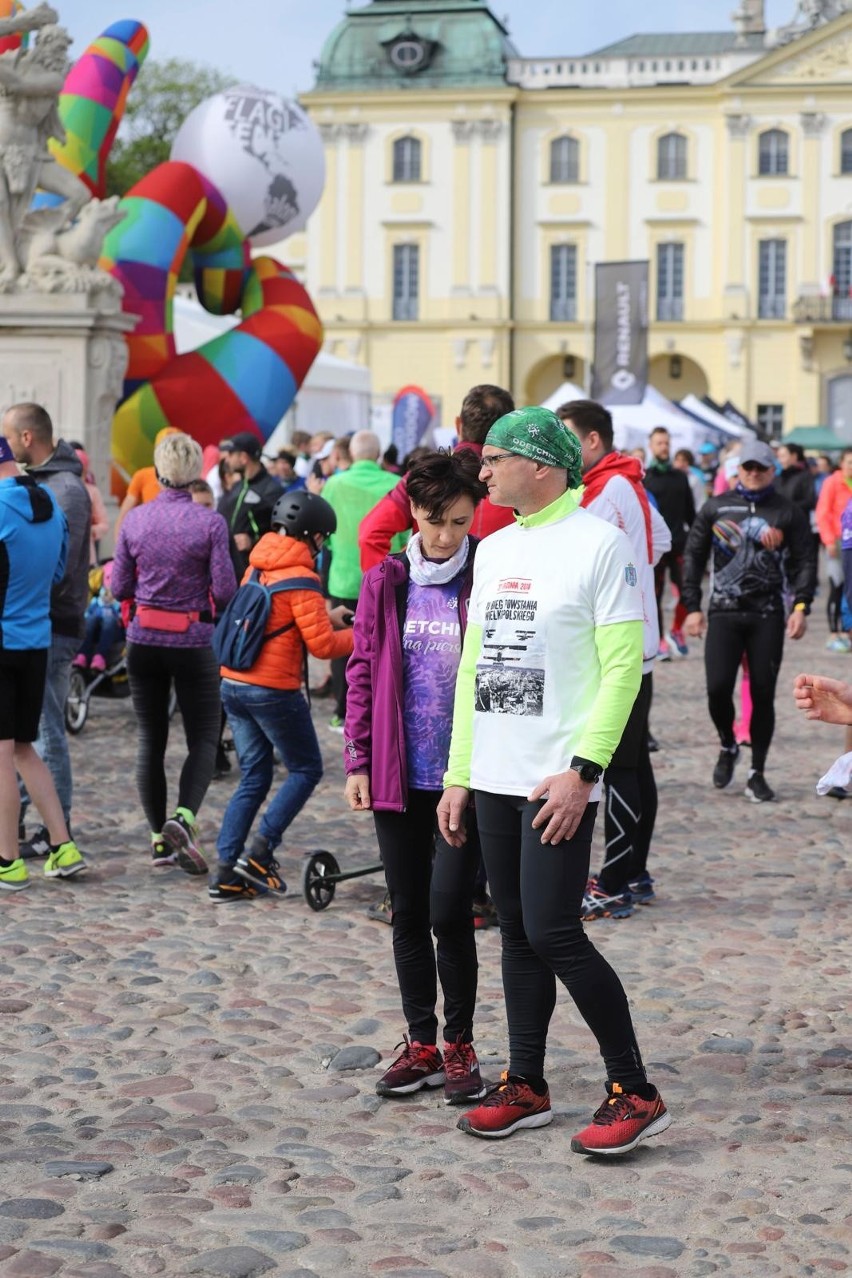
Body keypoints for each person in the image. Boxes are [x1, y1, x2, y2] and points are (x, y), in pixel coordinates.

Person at [437, 406, 671, 1155]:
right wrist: (458, 774)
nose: (484, 471)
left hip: (555, 779)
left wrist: (582, 774)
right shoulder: (495, 545)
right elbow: (478, 671)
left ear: (540, 467)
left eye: (496, 458)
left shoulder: (601, 545)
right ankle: (528, 1083)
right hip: (497, 776)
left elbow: (621, 673)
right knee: (516, 934)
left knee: (554, 931)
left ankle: (634, 1088)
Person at [345, 452, 489, 1104]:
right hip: (398, 772)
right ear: (412, 514)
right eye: (435, 522)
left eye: (459, 522)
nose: (445, 536)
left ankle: (459, 1042)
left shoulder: (486, 573)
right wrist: (358, 757)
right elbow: (363, 671)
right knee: (407, 912)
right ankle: (422, 1043)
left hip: (464, 774)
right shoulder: (387, 580)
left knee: (450, 910)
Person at [558, 399, 671, 919]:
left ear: (593, 441)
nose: (559, 449)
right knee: (633, 765)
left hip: (621, 647)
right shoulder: (625, 481)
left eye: (567, 438)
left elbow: (586, 557)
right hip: (636, 639)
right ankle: (636, 873)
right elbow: (661, 541)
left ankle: (616, 881)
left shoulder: (608, 489)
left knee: (621, 767)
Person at [212, 490, 354, 901]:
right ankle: (259, 853)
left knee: (254, 776)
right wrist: (364, 633)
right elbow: (323, 648)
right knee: (306, 769)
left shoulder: (257, 566)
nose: (323, 545)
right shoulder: (304, 577)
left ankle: (226, 872)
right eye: (322, 538)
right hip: (272, 690)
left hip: (233, 683)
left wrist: (325, 617)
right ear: (311, 535)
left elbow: (271, 617)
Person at [112, 433, 237, 873]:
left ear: (158, 470)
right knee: (202, 735)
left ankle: (157, 841)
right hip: (192, 640)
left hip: (143, 638)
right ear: (195, 473)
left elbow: (119, 586)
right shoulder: (209, 523)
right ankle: (183, 817)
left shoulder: (136, 520)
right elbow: (224, 590)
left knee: (151, 738)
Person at [682, 439, 816, 802]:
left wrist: (801, 607)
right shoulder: (716, 506)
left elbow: (805, 560)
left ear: (773, 470)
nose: (754, 474)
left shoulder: (787, 512)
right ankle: (728, 744)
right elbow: (693, 556)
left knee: (762, 694)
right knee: (717, 688)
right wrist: (692, 605)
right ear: (737, 470)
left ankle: (757, 771)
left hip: (767, 614)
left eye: (761, 468)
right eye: (748, 467)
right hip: (724, 612)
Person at [2, 402, 91, 853]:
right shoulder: (46, 495)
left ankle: (34, 844)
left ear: (27, 439)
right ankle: (45, 834)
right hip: (36, 629)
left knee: (34, 738)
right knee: (23, 742)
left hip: (36, 630)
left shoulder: (63, 492)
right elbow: (53, 570)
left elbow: (62, 574)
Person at [359, 384, 517, 573]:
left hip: (428, 596)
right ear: (510, 433)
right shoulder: (525, 481)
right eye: (436, 521)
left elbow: (370, 534)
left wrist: (386, 588)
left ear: (458, 425)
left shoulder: (426, 476)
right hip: (501, 593)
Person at [321, 430, 403, 731]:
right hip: (386, 575)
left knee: (344, 644)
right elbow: (406, 534)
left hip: (344, 577)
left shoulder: (334, 484)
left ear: (351, 455)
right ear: (378, 455)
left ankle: (342, 711)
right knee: (383, 642)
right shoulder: (395, 484)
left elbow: (325, 533)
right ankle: (380, 709)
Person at [643, 426, 695, 659]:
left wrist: (697, 540)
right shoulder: (645, 478)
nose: (664, 447)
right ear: (651, 446)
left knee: (687, 591)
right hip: (655, 549)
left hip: (680, 545)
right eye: (659, 443)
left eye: (666, 442)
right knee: (654, 596)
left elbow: (691, 514)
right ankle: (660, 640)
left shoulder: (680, 477)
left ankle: (676, 630)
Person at [218, 431, 282, 578]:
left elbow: (284, 534)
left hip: (257, 572)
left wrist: (253, 541)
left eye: (231, 454)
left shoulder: (271, 490)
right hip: (232, 569)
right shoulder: (237, 486)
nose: (227, 459)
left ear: (243, 457)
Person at [815, 447, 852, 652]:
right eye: (849, 462)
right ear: (841, 463)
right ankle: (834, 632)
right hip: (838, 541)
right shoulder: (832, 482)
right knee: (837, 586)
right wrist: (828, 540)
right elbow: (823, 513)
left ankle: (848, 630)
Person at [114, 426, 180, 536]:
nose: (171, 455)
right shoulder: (143, 475)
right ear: (157, 451)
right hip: (149, 535)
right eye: (166, 449)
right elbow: (124, 514)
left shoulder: (189, 478)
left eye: (175, 449)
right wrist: (118, 547)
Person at [72, 561, 123, 673]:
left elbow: (123, 618)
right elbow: (86, 614)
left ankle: (100, 657)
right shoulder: (96, 601)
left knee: (109, 621)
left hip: (112, 631)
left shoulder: (119, 604)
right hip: (94, 630)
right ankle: (82, 655)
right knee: (90, 620)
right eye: (106, 591)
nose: (108, 594)